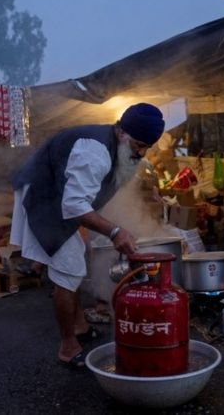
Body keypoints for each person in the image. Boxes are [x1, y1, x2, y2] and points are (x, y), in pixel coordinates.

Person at [9, 103, 165, 368]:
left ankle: (80, 326)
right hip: (43, 199)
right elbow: (73, 206)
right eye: (138, 144)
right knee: (68, 271)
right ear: (121, 132)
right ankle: (68, 347)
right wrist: (114, 231)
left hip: (64, 199)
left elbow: (89, 195)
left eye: (146, 147)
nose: (141, 153)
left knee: (77, 261)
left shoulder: (118, 146)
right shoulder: (95, 151)